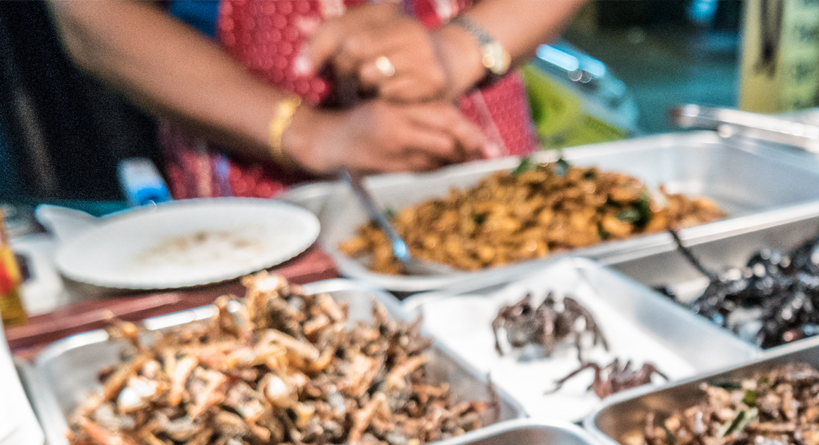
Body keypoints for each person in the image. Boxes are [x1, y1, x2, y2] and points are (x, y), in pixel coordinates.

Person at [50, 0, 586, 198]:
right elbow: (92, 16)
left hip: (480, 158)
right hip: (253, 171)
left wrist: (459, 50)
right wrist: (306, 132)